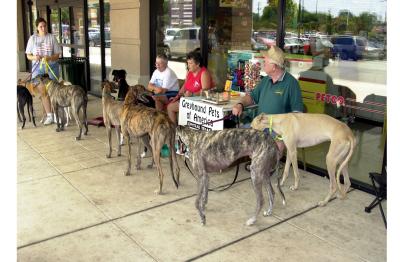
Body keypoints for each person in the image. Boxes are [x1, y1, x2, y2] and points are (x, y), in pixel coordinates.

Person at [232, 45, 303, 153]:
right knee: (235, 136)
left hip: (278, 130)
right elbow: (251, 98)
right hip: (260, 125)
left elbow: (297, 114)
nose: (262, 63)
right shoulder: (265, 80)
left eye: (265, 61)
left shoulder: (291, 83)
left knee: (273, 148)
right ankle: (258, 164)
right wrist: (240, 104)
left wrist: (283, 134)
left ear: (274, 66)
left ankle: (267, 166)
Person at [25, 17, 61, 125]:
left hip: (51, 68)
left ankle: (56, 115)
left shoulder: (52, 38)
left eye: (45, 26)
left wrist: (49, 58)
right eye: (41, 26)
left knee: (53, 92)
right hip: (38, 69)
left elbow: (57, 55)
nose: (43, 28)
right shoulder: (33, 39)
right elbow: (28, 55)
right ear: (37, 27)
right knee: (43, 91)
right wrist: (34, 57)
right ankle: (49, 115)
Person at [167, 51, 214, 124]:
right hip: (188, 100)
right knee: (170, 106)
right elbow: (185, 86)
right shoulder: (189, 72)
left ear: (198, 64)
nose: (188, 65)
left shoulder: (204, 73)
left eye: (190, 63)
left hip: (200, 103)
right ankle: (175, 130)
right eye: (187, 63)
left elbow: (206, 91)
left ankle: (177, 131)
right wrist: (177, 97)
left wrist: (192, 94)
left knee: (170, 107)